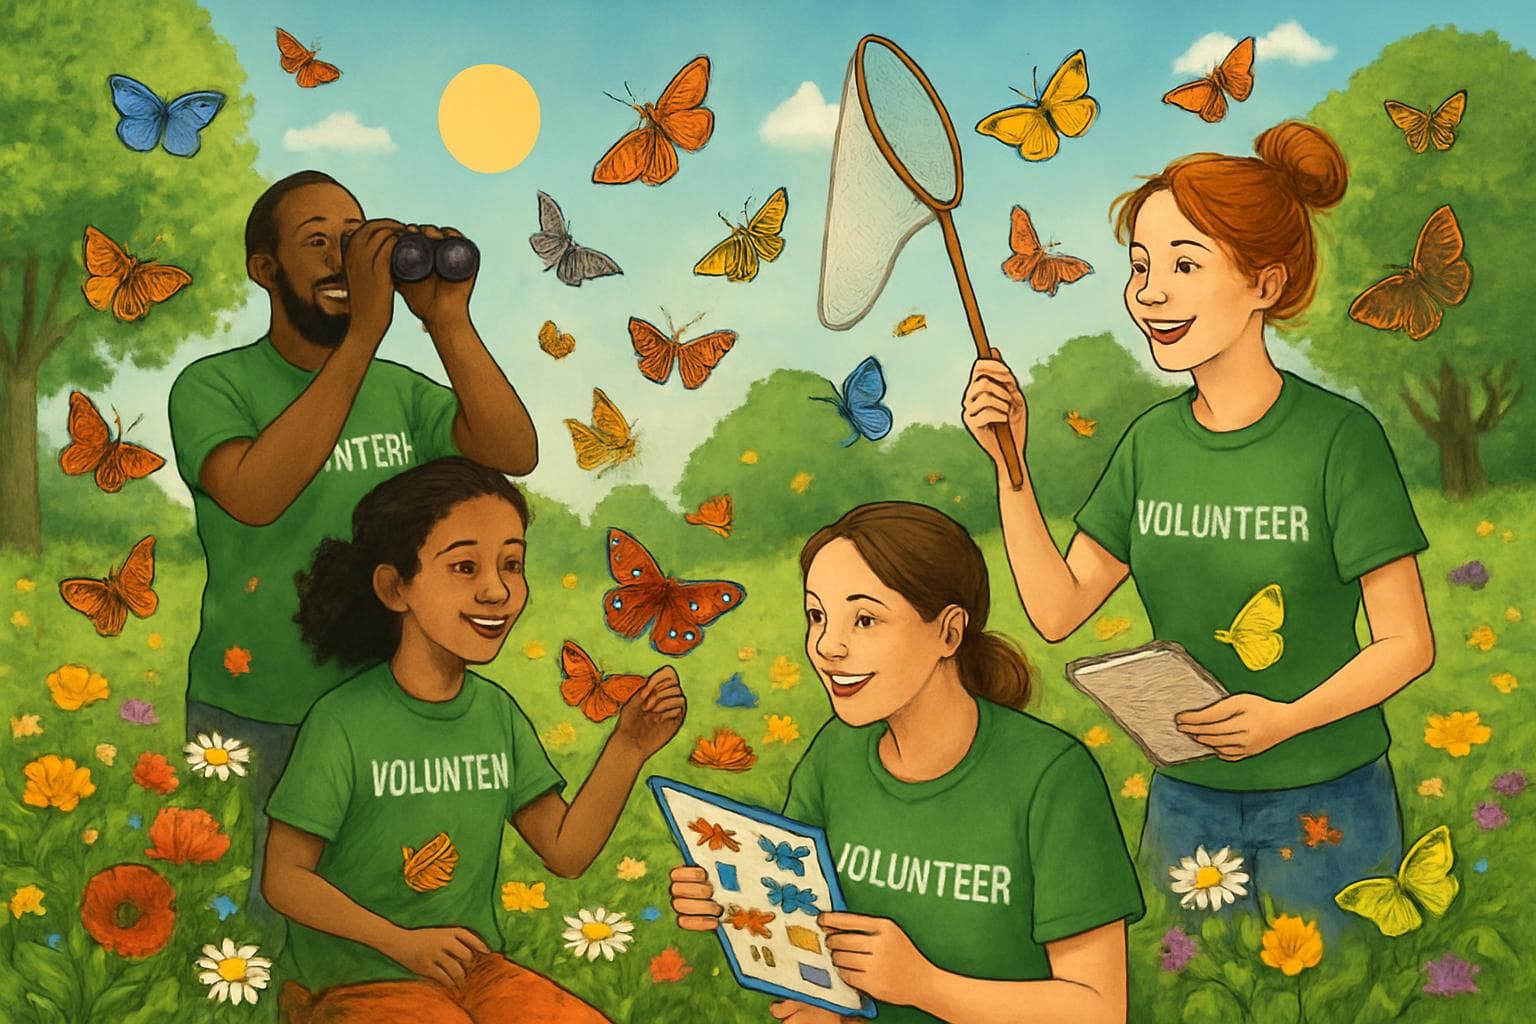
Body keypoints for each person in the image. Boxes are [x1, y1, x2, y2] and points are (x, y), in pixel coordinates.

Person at [962, 121, 1434, 938]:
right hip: (1187, 801)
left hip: (1328, 797)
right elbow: (1058, 609)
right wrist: (1011, 465)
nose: (1149, 293)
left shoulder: (1338, 440)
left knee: (1335, 987)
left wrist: (1285, 720)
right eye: (1140, 265)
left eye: (1184, 265)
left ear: (1265, 284)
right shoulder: (1151, 444)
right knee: (1195, 987)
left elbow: (1408, 644)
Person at [168, 170, 539, 925]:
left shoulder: (397, 392)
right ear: (264, 268)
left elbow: (513, 450)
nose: (344, 259)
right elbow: (255, 495)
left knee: (378, 914)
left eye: (356, 238)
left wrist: (447, 321)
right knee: (255, 924)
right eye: (318, 242)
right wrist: (365, 332)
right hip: (261, 704)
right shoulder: (214, 386)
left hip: (381, 705)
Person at [670, 502, 1144, 1024]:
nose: (827, 646)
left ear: (949, 632)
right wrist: (729, 900)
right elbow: (802, 924)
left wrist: (924, 985)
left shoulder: (1051, 775)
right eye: (817, 616)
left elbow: (1099, 1009)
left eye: (865, 619)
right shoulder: (835, 753)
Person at [264, 457, 685, 1022]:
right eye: (465, 567)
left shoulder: (496, 714)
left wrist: (628, 745)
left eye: (512, 564)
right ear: (395, 587)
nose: (497, 590)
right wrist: (401, 942)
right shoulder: (343, 721)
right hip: (353, 982)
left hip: (472, 973)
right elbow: (284, 879)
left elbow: (565, 853)